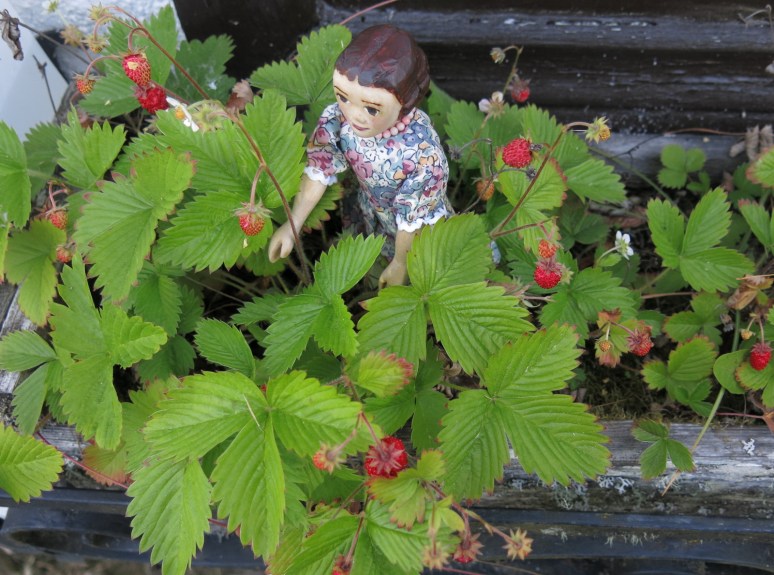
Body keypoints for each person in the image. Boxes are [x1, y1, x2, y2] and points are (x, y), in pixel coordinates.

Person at [267, 24, 451, 288]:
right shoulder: (337, 120)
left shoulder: (422, 154)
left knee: (425, 278)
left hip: (414, 235)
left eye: (373, 109)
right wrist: (293, 223)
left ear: (407, 102)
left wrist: (400, 263)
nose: (354, 115)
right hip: (368, 211)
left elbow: (414, 219)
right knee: (365, 267)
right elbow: (321, 167)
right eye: (343, 96)